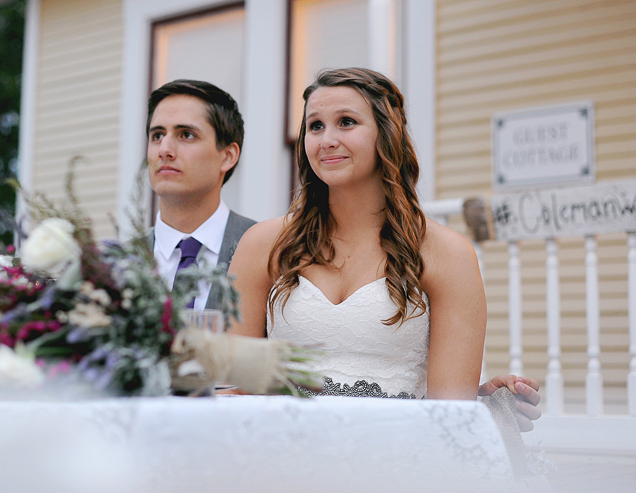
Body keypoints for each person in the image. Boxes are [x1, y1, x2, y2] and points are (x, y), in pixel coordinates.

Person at [229, 68, 540, 427]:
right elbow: (235, 386)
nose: (327, 140)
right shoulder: (263, 244)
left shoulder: (447, 253)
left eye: (346, 122)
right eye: (315, 126)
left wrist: (485, 407)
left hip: (397, 450)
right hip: (281, 445)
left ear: (387, 134)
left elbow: (450, 410)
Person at [145, 79, 256, 310]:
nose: (164, 150)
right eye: (157, 135)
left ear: (228, 156)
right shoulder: (113, 265)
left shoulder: (268, 250)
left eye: (186, 135)